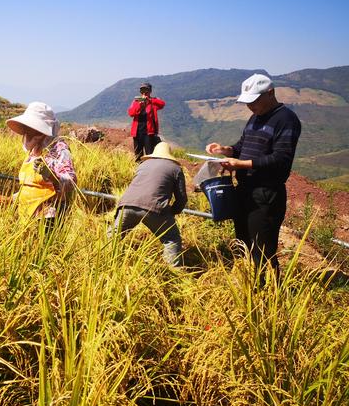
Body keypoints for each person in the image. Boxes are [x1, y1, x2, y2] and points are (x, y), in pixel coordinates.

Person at [206, 74, 301, 281]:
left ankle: (269, 296)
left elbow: (281, 158)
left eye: (254, 101)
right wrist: (226, 150)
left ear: (270, 93)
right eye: (248, 102)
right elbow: (243, 146)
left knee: (263, 251)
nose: (251, 106)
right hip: (245, 190)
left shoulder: (286, 119)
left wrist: (241, 164)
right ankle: (249, 287)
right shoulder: (255, 118)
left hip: (265, 194)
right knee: (244, 243)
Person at [109, 142, 187, 267]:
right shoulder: (175, 169)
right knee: (171, 239)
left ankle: (104, 261)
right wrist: (171, 212)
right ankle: (175, 274)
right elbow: (182, 199)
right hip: (155, 208)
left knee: (113, 236)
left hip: (127, 204)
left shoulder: (143, 165)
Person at [6, 102, 77, 227]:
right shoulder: (33, 150)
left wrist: (51, 175)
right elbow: (31, 184)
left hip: (46, 217)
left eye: (30, 127)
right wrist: (16, 196)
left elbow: (71, 181)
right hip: (26, 213)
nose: (26, 131)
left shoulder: (58, 148)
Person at [127, 82, 166, 161]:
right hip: (137, 132)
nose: (144, 92)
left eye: (146, 90)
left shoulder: (153, 101)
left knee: (149, 154)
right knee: (138, 154)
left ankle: (148, 169)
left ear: (150, 91)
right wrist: (140, 105)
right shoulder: (136, 101)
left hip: (148, 132)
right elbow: (131, 113)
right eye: (142, 90)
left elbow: (162, 104)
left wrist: (150, 100)